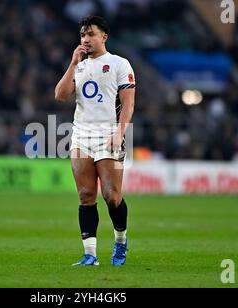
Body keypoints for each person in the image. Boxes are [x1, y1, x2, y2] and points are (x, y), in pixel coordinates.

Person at [54, 16, 136, 266]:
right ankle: (90, 254)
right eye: (82, 35)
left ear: (104, 37)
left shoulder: (119, 64)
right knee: (86, 194)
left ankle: (120, 243)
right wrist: (72, 64)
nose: (85, 39)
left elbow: (129, 103)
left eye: (91, 34)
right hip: (81, 136)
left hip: (109, 135)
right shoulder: (77, 66)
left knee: (112, 196)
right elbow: (60, 95)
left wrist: (120, 133)